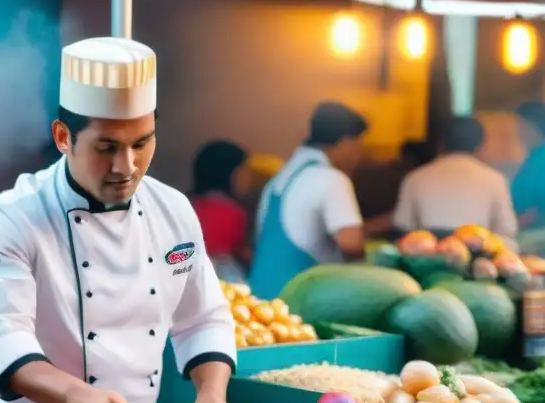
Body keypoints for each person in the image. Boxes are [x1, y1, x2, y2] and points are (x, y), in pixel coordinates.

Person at [0, 37, 238, 403]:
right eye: (106, 147)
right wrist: (74, 394)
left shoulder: (173, 211)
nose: (126, 166)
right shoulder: (12, 217)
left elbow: (202, 318)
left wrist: (212, 394)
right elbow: (1, 336)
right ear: (62, 137)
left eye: (141, 143)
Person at [249, 102, 368, 301]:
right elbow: (351, 244)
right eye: (357, 148)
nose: (357, 158)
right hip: (300, 301)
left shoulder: (279, 178)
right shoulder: (331, 178)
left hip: (259, 299)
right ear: (345, 142)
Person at [392, 115, 518, 239]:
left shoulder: (415, 177)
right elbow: (508, 229)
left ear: (440, 143)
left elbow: (402, 223)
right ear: (481, 146)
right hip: (478, 255)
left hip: (430, 255)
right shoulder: (495, 179)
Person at [188, 140, 252, 281]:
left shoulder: (189, 205)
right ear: (229, 174)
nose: (248, 179)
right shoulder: (232, 212)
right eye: (243, 172)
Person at [512, 101, 545, 230]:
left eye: (521, 126)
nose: (518, 132)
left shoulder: (540, 161)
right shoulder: (533, 158)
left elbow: (532, 213)